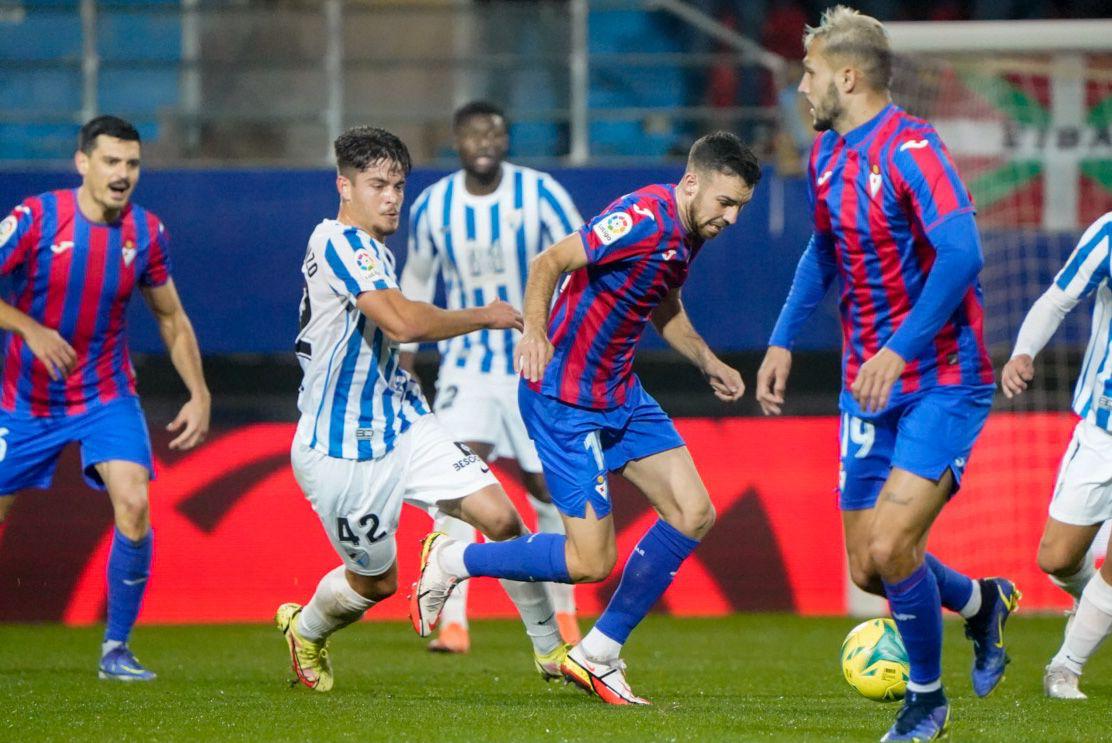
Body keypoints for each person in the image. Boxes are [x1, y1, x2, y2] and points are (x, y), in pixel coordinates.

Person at [409, 131, 758, 705]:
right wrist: (537, 330)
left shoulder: (688, 233)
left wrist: (706, 359)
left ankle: (598, 654)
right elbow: (551, 259)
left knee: (694, 512)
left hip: (620, 395)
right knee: (590, 562)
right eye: (726, 202)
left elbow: (662, 302)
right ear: (692, 182)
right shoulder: (643, 215)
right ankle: (453, 559)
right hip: (563, 400)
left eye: (740, 207)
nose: (732, 218)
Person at [753, 7, 1018, 741]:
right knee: (870, 569)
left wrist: (899, 348)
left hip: (939, 376)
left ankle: (927, 701)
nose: (799, 87)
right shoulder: (826, 155)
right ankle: (981, 603)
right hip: (866, 387)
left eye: (807, 73)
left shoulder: (913, 149)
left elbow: (962, 253)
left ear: (848, 75)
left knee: (891, 547)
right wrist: (781, 339)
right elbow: (823, 251)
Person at [277, 125, 566, 693]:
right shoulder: (338, 242)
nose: (391, 198)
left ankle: (552, 649)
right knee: (375, 583)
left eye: (398, 186)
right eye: (377, 185)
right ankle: (306, 630)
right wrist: (483, 314)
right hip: (341, 448)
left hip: (404, 423)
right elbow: (404, 322)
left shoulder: (372, 249)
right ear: (344, 187)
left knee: (504, 519)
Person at [0, 115, 211, 681]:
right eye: (111, 162)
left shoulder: (147, 233)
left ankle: (116, 648)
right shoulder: (36, 217)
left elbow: (170, 316)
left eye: (132, 164)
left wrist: (198, 391)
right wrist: (28, 327)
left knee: (136, 505)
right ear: (83, 163)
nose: (122, 175)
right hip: (25, 402)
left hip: (105, 395)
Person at [399, 101, 584, 653]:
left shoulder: (542, 194)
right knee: (459, 480)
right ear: (456, 141)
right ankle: (454, 620)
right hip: (466, 366)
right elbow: (417, 279)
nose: (484, 141)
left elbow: (582, 259)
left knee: (544, 484)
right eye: (473, 133)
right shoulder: (434, 205)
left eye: (495, 132)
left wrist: (569, 338)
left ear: (507, 140)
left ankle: (565, 609)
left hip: (533, 363)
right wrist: (406, 358)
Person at [1002, 212, 1112, 700]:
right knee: (1059, 558)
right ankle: (1094, 606)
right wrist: (1024, 351)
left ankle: (1065, 667)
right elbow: (1059, 299)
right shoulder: (1109, 233)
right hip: (1103, 430)